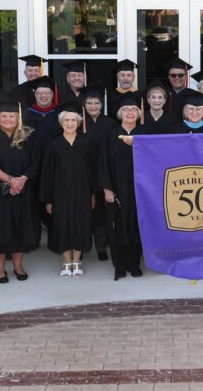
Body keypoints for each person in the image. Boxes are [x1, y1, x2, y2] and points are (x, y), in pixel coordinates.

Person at [0, 99, 40, 283]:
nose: (7, 119)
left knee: (19, 229)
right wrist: (11, 181)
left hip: (23, 191)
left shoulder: (27, 137)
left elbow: (35, 161)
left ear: (17, 118)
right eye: (4, 116)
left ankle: (18, 266)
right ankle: (0, 269)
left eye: (11, 116)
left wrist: (21, 181)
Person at [41, 103, 95, 277]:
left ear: (78, 123)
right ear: (61, 122)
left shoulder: (87, 143)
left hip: (83, 191)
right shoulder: (53, 145)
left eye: (73, 120)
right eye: (67, 120)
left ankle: (77, 260)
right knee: (61, 225)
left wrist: (93, 193)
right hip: (59, 193)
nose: (70, 123)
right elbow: (47, 174)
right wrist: (48, 199)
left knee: (81, 224)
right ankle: (66, 260)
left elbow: (93, 170)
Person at [97, 93, 145, 280]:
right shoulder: (110, 135)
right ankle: (119, 266)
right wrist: (107, 189)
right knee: (117, 228)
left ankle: (134, 264)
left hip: (140, 189)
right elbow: (102, 163)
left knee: (136, 227)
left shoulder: (145, 134)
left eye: (134, 109)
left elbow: (154, 158)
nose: (130, 112)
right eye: (126, 109)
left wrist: (136, 145)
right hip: (116, 188)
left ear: (139, 113)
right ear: (120, 113)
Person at [81, 84, 118, 261]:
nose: (93, 106)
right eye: (89, 103)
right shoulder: (78, 122)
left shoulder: (110, 123)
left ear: (101, 104)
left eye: (96, 103)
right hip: (84, 172)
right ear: (84, 104)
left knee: (102, 213)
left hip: (105, 171)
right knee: (84, 211)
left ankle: (101, 246)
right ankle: (80, 246)